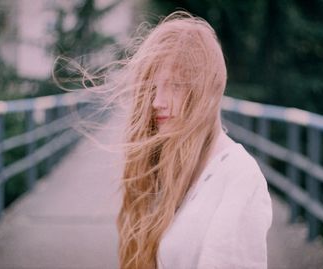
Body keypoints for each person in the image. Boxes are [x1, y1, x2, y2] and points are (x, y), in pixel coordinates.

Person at [115, 11, 273, 269]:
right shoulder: (170, 163)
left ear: (204, 92)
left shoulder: (240, 177)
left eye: (174, 86)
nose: (157, 102)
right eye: (154, 88)